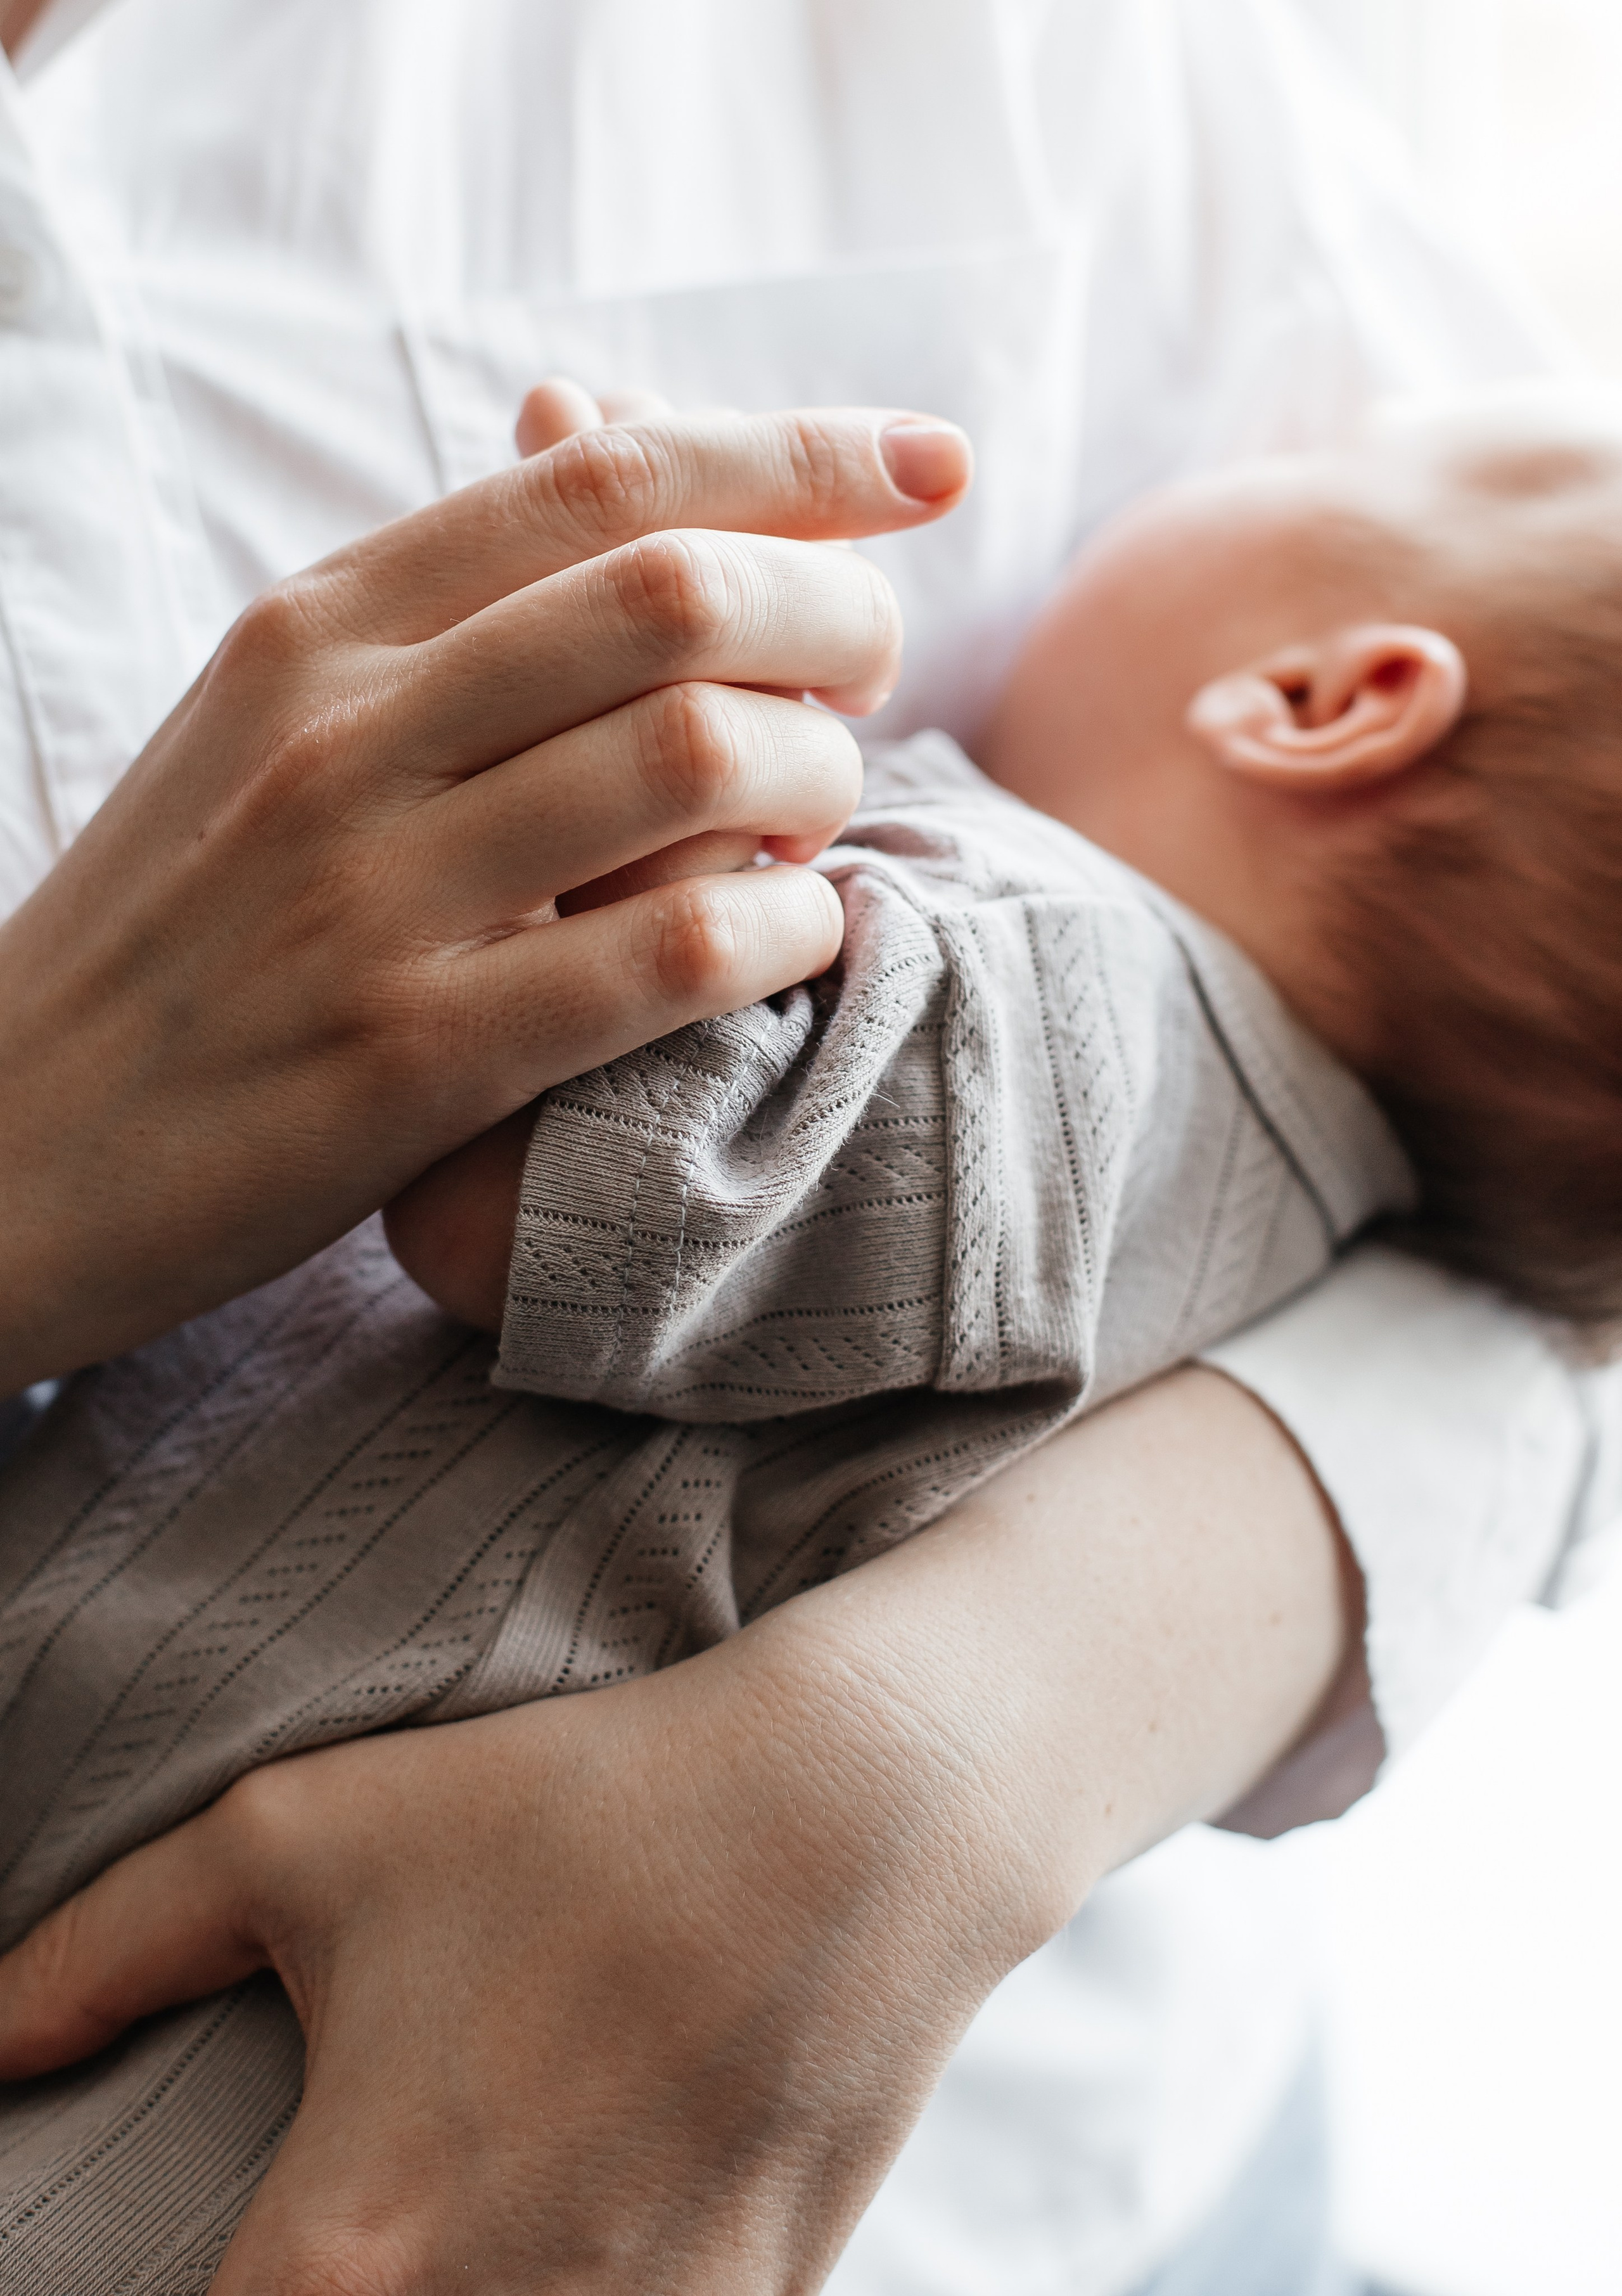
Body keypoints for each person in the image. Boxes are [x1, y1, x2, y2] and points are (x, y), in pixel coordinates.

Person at [0, 4, 1614, 2293]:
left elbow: (523, 1196)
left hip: (320, 2086)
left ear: (1336, 700)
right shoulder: (1200, 1097)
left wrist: (950, 1761)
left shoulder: (1044, 993)